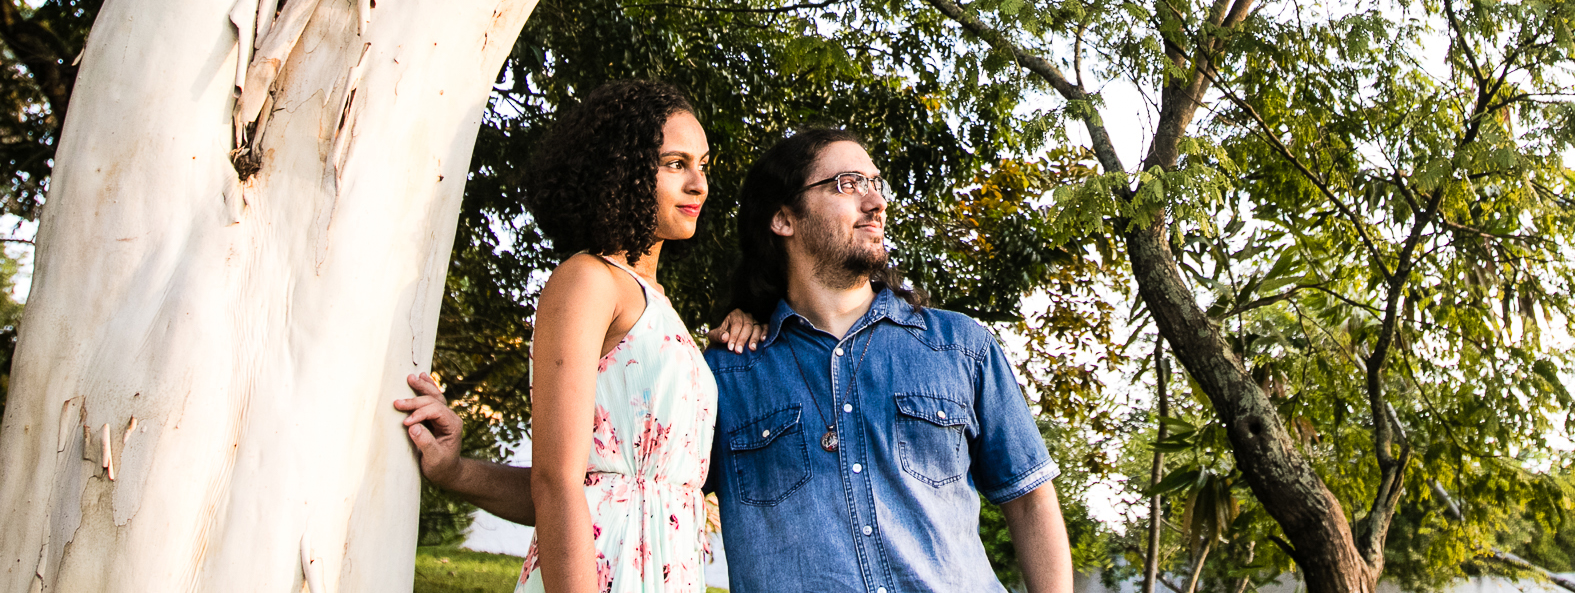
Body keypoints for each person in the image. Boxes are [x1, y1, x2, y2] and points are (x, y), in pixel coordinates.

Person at [400, 126, 1073, 593]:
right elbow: (611, 490)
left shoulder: (960, 345)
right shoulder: (725, 374)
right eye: (846, 182)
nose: (876, 198)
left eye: (875, 180)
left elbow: (1031, 499)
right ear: (783, 218)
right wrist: (458, 470)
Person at [399, 80, 716, 593]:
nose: (699, 184)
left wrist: (456, 472)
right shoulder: (588, 280)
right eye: (675, 164)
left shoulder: (659, 303)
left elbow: (592, 487)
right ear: (624, 170)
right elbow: (557, 483)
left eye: (702, 164)